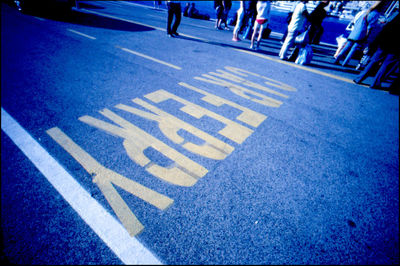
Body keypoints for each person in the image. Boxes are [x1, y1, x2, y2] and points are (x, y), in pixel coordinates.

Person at [353, 14, 400, 90]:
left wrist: (374, 44)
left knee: (373, 61)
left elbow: (381, 33)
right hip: (395, 48)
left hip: (383, 44)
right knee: (386, 65)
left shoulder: (391, 23)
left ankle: (359, 78)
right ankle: (375, 83)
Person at [333, 2, 382, 67]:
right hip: (361, 34)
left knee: (346, 47)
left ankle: (337, 60)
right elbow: (370, 27)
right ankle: (345, 63)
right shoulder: (375, 14)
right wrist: (367, 36)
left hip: (354, 32)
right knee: (353, 49)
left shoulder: (365, 12)